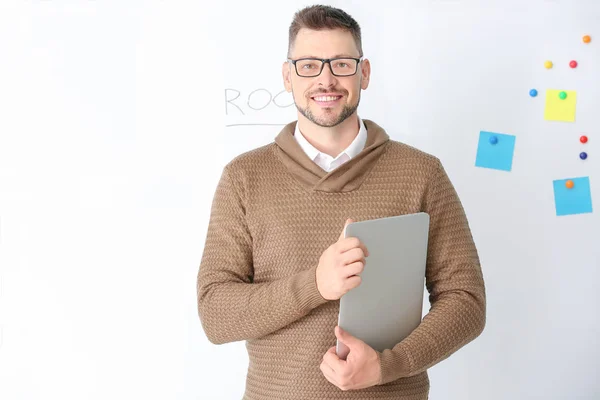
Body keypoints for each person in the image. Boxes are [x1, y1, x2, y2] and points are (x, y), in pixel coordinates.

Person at [197, 4, 486, 399]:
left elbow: (466, 301)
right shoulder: (244, 177)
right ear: (288, 76)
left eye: (342, 64)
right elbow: (215, 314)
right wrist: (315, 285)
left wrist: (388, 365)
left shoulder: (421, 172)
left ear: (364, 73)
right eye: (309, 65)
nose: (327, 79)